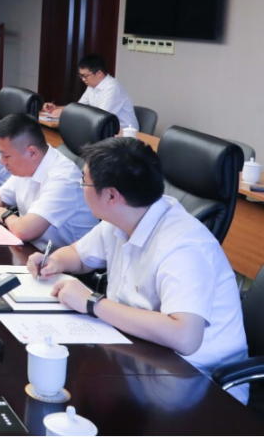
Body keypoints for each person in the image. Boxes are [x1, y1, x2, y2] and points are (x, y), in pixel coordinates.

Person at [27, 137, 248, 404]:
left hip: (198, 386)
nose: (80, 187)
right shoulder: (125, 215)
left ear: (111, 195)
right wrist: (54, 261)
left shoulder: (184, 245)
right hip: (140, 358)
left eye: (84, 182)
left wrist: (92, 302)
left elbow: (185, 336)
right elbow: (79, 255)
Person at [0, 114, 98, 248]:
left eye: (6, 156)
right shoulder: (30, 163)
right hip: (34, 251)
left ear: (32, 152)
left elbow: (25, 231)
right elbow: (0, 195)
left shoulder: (63, 178)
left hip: (65, 263)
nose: (2, 161)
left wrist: (5, 215)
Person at [42, 54, 138, 130]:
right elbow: (78, 107)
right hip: (103, 129)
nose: (83, 79)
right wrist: (57, 108)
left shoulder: (113, 88)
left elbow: (100, 117)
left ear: (99, 73)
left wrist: (65, 113)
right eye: (81, 76)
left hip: (123, 132)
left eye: (85, 76)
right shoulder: (92, 86)